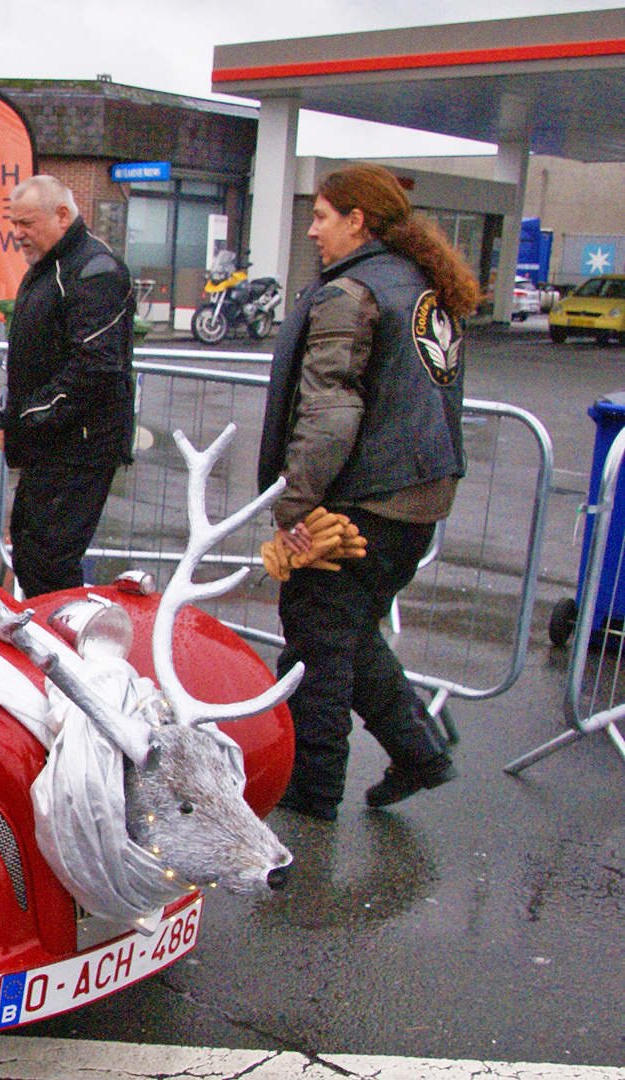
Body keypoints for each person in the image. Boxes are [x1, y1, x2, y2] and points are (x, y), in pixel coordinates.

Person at [259, 164, 473, 822]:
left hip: (364, 502)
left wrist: (294, 511)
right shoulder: (421, 286)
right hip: (420, 497)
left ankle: (312, 791)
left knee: (317, 639)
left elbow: (328, 415)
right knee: (350, 635)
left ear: (358, 220)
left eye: (323, 216)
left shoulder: (351, 292)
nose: (314, 229)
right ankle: (421, 754)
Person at [0, 175, 134, 598]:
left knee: (48, 561)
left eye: (26, 223)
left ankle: (63, 654)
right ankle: (46, 649)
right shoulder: (50, 266)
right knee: (31, 554)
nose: (17, 233)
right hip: (49, 440)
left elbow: (95, 367)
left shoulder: (96, 270)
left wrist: (25, 416)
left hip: (80, 446)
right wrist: (15, 420)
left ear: (61, 215)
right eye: (13, 223)